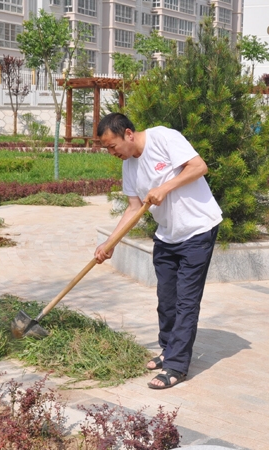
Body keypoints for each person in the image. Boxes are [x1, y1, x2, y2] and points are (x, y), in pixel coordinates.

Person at [94, 113, 222, 390]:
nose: (112, 153)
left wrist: (165, 187)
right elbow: (133, 208)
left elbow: (199, 166)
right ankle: (168, 349)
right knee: (166, 298)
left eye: (112, 146)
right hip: (167, 235)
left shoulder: (163, 137)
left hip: (197, 229)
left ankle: (177, 365)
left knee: (186, 301)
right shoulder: (129, 166)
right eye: (107, 149)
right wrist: (110, 243)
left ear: (128, 134)